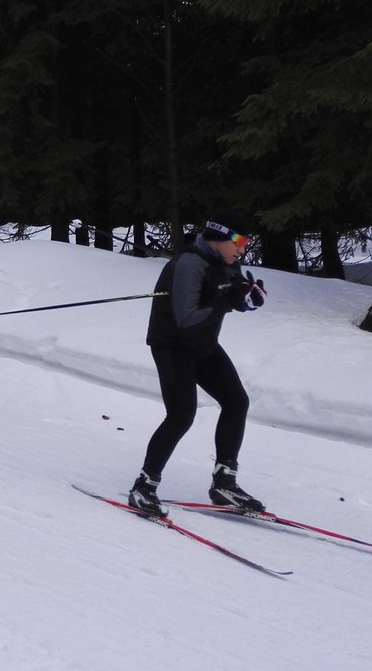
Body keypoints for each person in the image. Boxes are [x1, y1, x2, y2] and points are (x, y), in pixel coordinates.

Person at [127, 211, 269, 517]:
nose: (242, 249)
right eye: (239, 242)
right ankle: (144, 485)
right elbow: (186, 319)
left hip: (203, 344)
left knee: (236, 402)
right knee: (181, 415)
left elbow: (226, 299)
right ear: (219, 237)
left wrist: (246, 300)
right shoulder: (189, 264)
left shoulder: (228, 263)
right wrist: (227, 302)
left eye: (246, 243)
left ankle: (224, 484)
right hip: (173, 345)